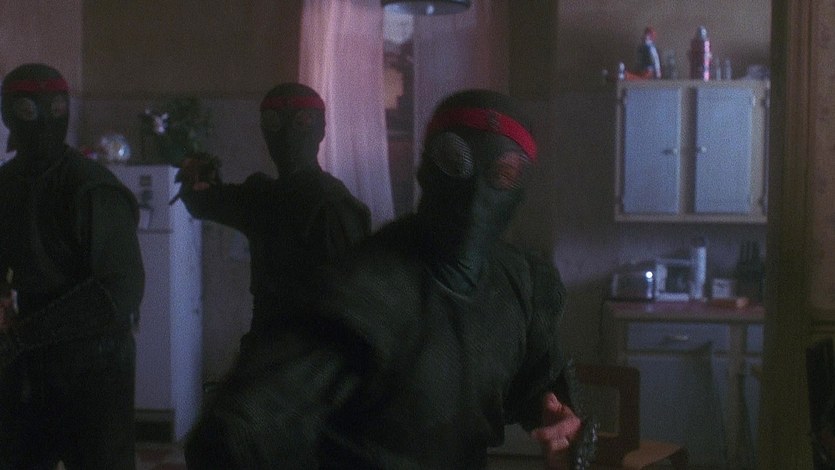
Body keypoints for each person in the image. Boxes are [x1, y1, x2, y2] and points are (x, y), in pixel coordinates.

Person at [184, 89, 597, 469]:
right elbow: (237, 432)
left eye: (503, 174)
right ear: (426, 169)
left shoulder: (519, 281)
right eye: (455, 162)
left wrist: (558, 418)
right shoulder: (366, 293)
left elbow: (539, 380)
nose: (475, 196)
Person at [0, 63, 145, 469]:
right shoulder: (6, 184)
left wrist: (24, 335)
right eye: (29, 110)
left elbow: (120, 289)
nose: (45, 122)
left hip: (96, 362)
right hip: (28, 364)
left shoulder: (91, 187)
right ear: (9, 114)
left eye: (56, 107)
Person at [175, 82, 371, 355]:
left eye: (300, 122)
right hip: (272, 347)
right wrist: (197, 176)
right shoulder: (263, 197)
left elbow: (353, 304)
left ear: (320, 130)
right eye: (274, 122)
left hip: (312, 355)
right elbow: (204, 201)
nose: (288, 135)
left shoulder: (331, 206)